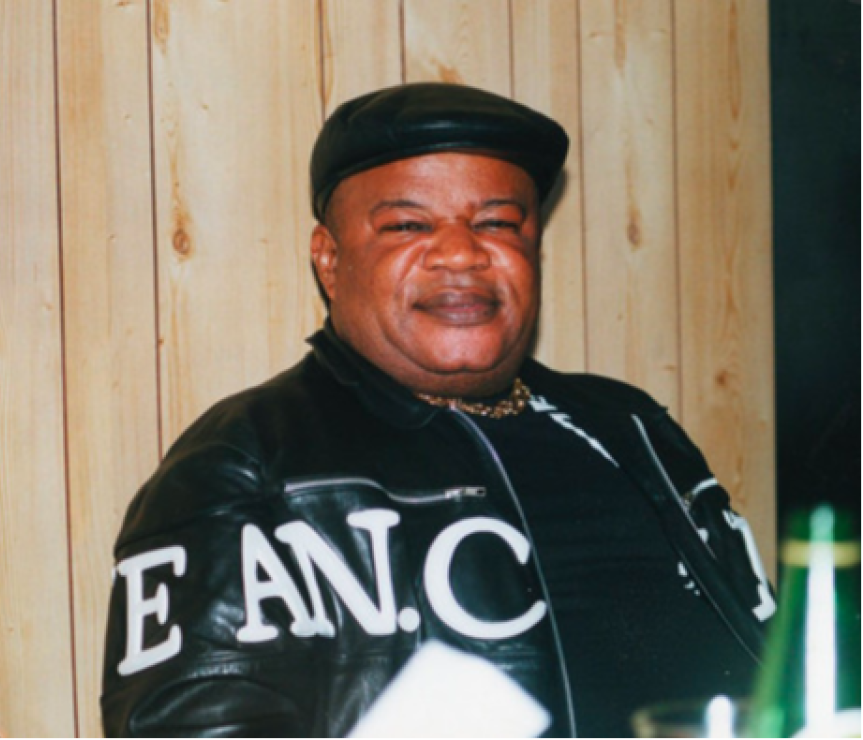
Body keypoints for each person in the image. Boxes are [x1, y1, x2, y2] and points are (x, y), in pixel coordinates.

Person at [101, 82, 775, 739]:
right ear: (330, 260)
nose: (461, 252)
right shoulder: (244, 464)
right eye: (407, 225)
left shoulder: (629, 426)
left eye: (496, 223)